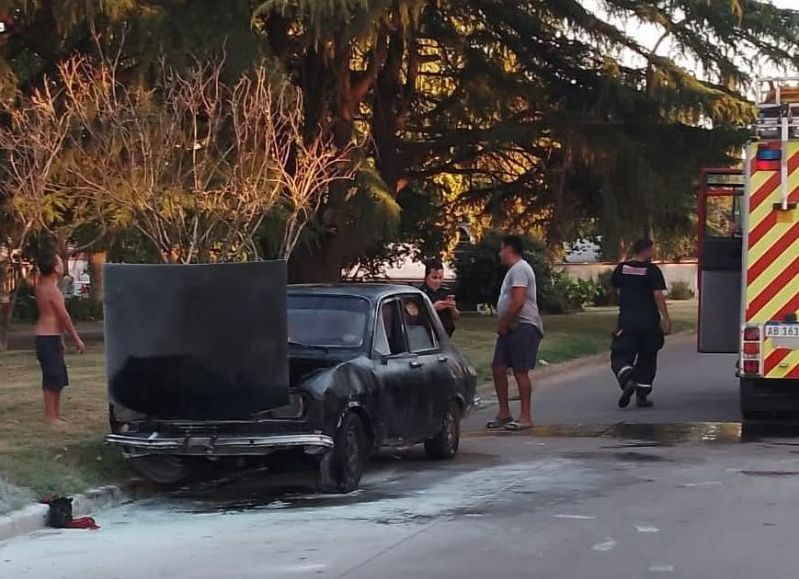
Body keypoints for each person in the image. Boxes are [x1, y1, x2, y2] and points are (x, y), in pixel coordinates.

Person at [486, 236, 544, 431]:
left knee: (520, 371)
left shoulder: (520, 269)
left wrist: (504, 322)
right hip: (510, 327)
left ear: (509, 249)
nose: (500, 253)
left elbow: (519, 301)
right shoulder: (513, 270)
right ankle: (504, 413)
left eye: (502, 249)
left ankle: (525, 416)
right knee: (498, 367)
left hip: (523, 326)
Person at [610, 238, 671, 409]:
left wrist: (624, 302)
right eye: (651, 251)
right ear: (645, 251)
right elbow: (658, 295)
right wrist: (666, 317)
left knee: (620, 354)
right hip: (649, 322)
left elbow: (614, 289)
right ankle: (642, 395)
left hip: (628, 321)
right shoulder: (652, 271)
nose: (652, 254)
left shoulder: (622, 269)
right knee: (648, 357)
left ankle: (627, 378)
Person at [35, 249, 86, 426]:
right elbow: (64, 317)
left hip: (52, 337)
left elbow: (56, 318)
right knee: (52, 377)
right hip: (47, 338)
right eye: (60, 262)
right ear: (55, 268)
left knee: (58, 378)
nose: (63, 264)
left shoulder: (45, 286)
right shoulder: (50, 290)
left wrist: (61, 339)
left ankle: (55, 415)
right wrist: (76, 339)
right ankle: (50, 416)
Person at [419, 259, 459, 336]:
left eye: (440, 278)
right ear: (426, 277)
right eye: (434, 277)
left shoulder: (446, 292)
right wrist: (433, 308)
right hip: (426, 335)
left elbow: (455, 317)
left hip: (445, 334)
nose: (437, 281)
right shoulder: (420, 293)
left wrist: (452, 308)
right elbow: (415, 318)